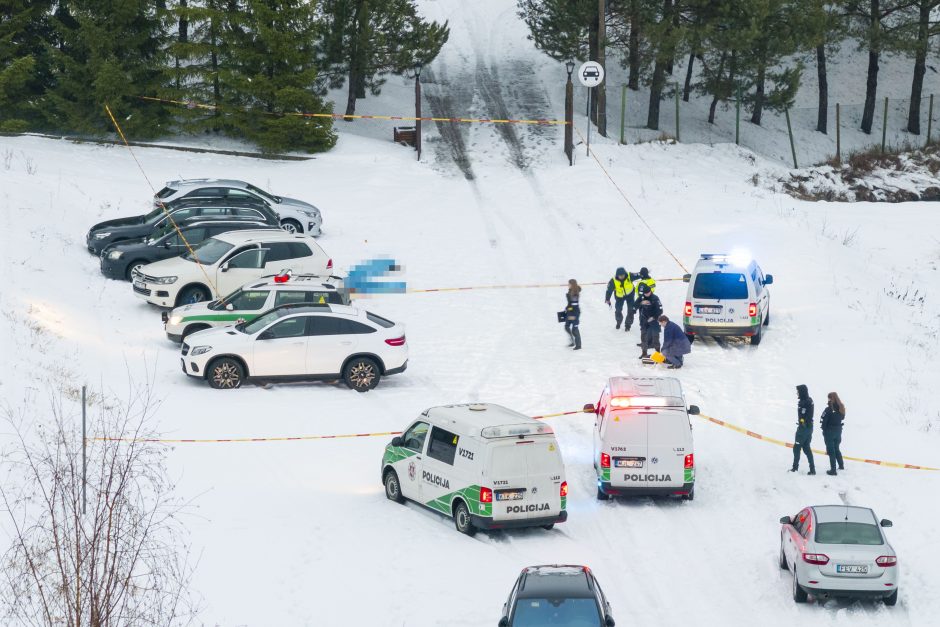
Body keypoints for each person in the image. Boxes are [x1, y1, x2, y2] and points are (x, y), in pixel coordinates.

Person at [790, 384, 816, 475]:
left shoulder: (803, 402)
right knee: (806, 448)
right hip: (809, 428)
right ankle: (812, 469)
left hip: (803, 429)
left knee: (796, 448)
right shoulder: (810, 400)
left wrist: (802, 422)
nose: (797, 393)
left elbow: (805, 416)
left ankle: (794, 468)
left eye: (798, 391)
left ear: (801, 392)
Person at [821, 392, 845, 476]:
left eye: (828, 398)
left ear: (831, 399)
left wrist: (824, 431)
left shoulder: (828, 409)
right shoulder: (841, 407)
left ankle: (833, 470)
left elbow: (823, 421)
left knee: (831, 451)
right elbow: (842, 418)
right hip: (838, 431)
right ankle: (841, 466)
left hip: (829, 432)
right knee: (837, 449)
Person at [636, 283, 663, 359]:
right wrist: (641, 303)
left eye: (648, 293)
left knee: (655, 338)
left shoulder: (655, 298)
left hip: (654, 320)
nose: (647, 294)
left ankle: (658, 353)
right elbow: (634, 305)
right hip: (644, 320)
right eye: (645, 293)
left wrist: (653, 317)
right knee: (643, 337)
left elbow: (660, 310)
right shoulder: (641, 297)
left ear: (650, 291)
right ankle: (644, 353)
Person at [564, 279, 582, 350]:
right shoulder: (570, 291)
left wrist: (568, 308)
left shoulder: (574, 293)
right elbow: (570, 304)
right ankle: (572, 341)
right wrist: (566, 309)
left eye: (569, 284)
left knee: (575, 328)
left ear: (572, 284)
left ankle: (578, 345)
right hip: (570, 313)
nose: (568, 285)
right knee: (567, 326)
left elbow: (574, 305)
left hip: (574, 313)